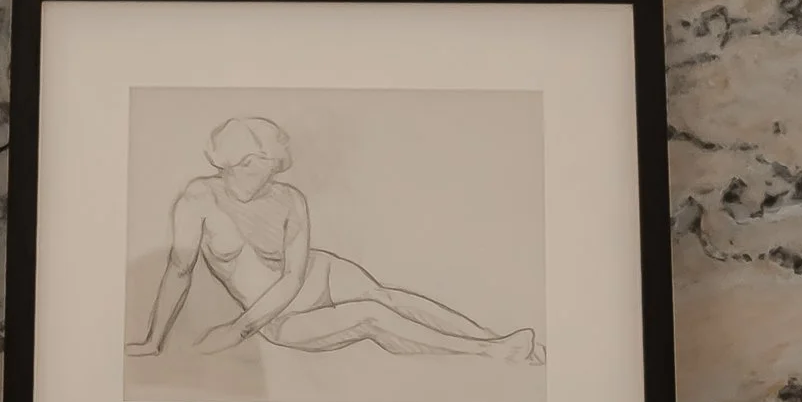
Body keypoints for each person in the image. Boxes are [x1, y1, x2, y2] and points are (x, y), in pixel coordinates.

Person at [126, 113, 544, 365]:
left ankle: (494, 340)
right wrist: (153, 341)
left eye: (273, 165)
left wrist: (237, 329)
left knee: (389, 298)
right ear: (233, 162)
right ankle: (488, 353)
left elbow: (293, 276)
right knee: (371, 317)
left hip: (315, 276)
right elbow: (179, 271)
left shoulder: (290, 198)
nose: (269, 174)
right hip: (276, 317)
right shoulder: (198, 199)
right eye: (259, 165)